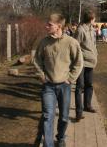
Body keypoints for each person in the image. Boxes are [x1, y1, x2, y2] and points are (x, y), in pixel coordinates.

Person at [33, 13, 83, 147]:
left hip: (64, 86)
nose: (46, 26)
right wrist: (42, 76)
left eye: (50, 24)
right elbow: (37, 60)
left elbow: (79, 62)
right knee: (48, 116)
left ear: (58, 26)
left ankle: (60, 138)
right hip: (48, 86)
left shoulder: (71, 42)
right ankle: (48, 145)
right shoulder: (44, 42)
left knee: (64, 116)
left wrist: (70, 79)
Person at [75, 11, 98, 123]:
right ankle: (79, 113)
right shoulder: (80, 30)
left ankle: (87, 106)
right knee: (80, 86)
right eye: (94, 18)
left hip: (91, 62)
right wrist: (78, 59)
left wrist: (95, 54)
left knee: (89, 84)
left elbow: (93, 44)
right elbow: (75, 45)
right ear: (91, 19)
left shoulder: (92, 30)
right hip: (82, 62)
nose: (95, 20)